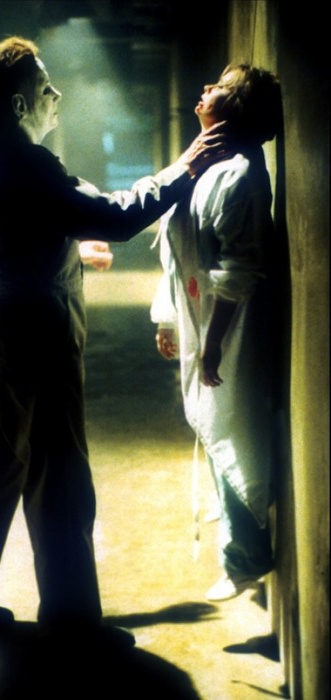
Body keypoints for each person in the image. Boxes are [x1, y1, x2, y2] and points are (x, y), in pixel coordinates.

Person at [0, 35, 229, 640]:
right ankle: (71, 622)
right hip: (37, 336)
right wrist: (186, 167)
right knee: (58, 479)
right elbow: (117, 215)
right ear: (19, 105)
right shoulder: (27, 163)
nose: (57, 95)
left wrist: (67, 248)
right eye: (45, 88)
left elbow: (9, 235)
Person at [151, 64, 282, 601]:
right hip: (202, 319)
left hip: (232, 329)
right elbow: (175, 247)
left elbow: (238, 270)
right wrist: (168, 316)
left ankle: (246, 558)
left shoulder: (240, 175)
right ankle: (239, 548)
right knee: (216, 428)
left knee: (234, 435)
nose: (205, 89)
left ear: (238, 109)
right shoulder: (206, 164)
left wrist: (212, 344)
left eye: (220, 87)